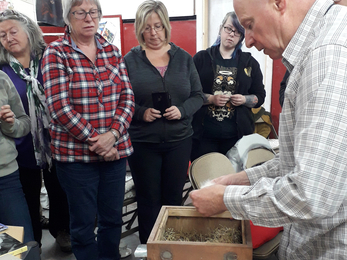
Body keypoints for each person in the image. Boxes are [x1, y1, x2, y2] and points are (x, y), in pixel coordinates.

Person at [190, 0, 347, 259]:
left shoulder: (327, 55)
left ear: (278, 3)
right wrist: (237, 179)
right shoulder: (317, 47)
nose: (248, 41)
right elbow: (294, 161)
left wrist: (226, 199)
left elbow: (309, 194)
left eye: (249, 26)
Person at [42, 0, 135, 259]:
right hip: (76, 159)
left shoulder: (112, 51)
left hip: (115, 154)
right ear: (68, 19)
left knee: (112, 221)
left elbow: (127, 98)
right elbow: (59, 108)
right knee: (83, 226)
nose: (88, 18)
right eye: (80, 12)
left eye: (93, 12)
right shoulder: (56, 53)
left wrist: (113, 135)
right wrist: (99, 141)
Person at [124, 0, 204, 244]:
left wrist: (181, 111)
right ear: (140, 29)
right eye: (147, 27)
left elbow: (198, 96)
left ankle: (172, 247)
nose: (153, 33)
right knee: (148, 201)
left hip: (179, 142)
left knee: (172, 200)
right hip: (143, 143)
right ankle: (150, 249)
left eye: (158, 26)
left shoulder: (183, 59)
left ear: (166, 26)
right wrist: (141, 113)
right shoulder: (129, 60)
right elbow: (121, 100)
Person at [0, 9, 71, 251]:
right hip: (19, 144)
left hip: (55, 140)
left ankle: (62, 230)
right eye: (2, 35)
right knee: (26, 196)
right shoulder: (3, 71)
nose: (9, 38)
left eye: (13, 31)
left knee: (60, 190)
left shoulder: (50, 59)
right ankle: (33, 243)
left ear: (28, 31)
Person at [191, 12, 265, 161]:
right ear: (220, 29)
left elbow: (260, 96)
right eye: (228, 29)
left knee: (234, 180)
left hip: (237, 138)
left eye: (238, 32)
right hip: (204, 136)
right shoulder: (201, 59)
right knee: (206, 179)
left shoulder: (250, 63)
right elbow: (189, 93)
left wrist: (244, 99)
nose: (231, 35)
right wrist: (211, 99)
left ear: (242, 38)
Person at [0, 70, 33, 243]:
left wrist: (10, 124)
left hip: (5, 178)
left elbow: (24, 123)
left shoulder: (2, 79)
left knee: (21, 247)